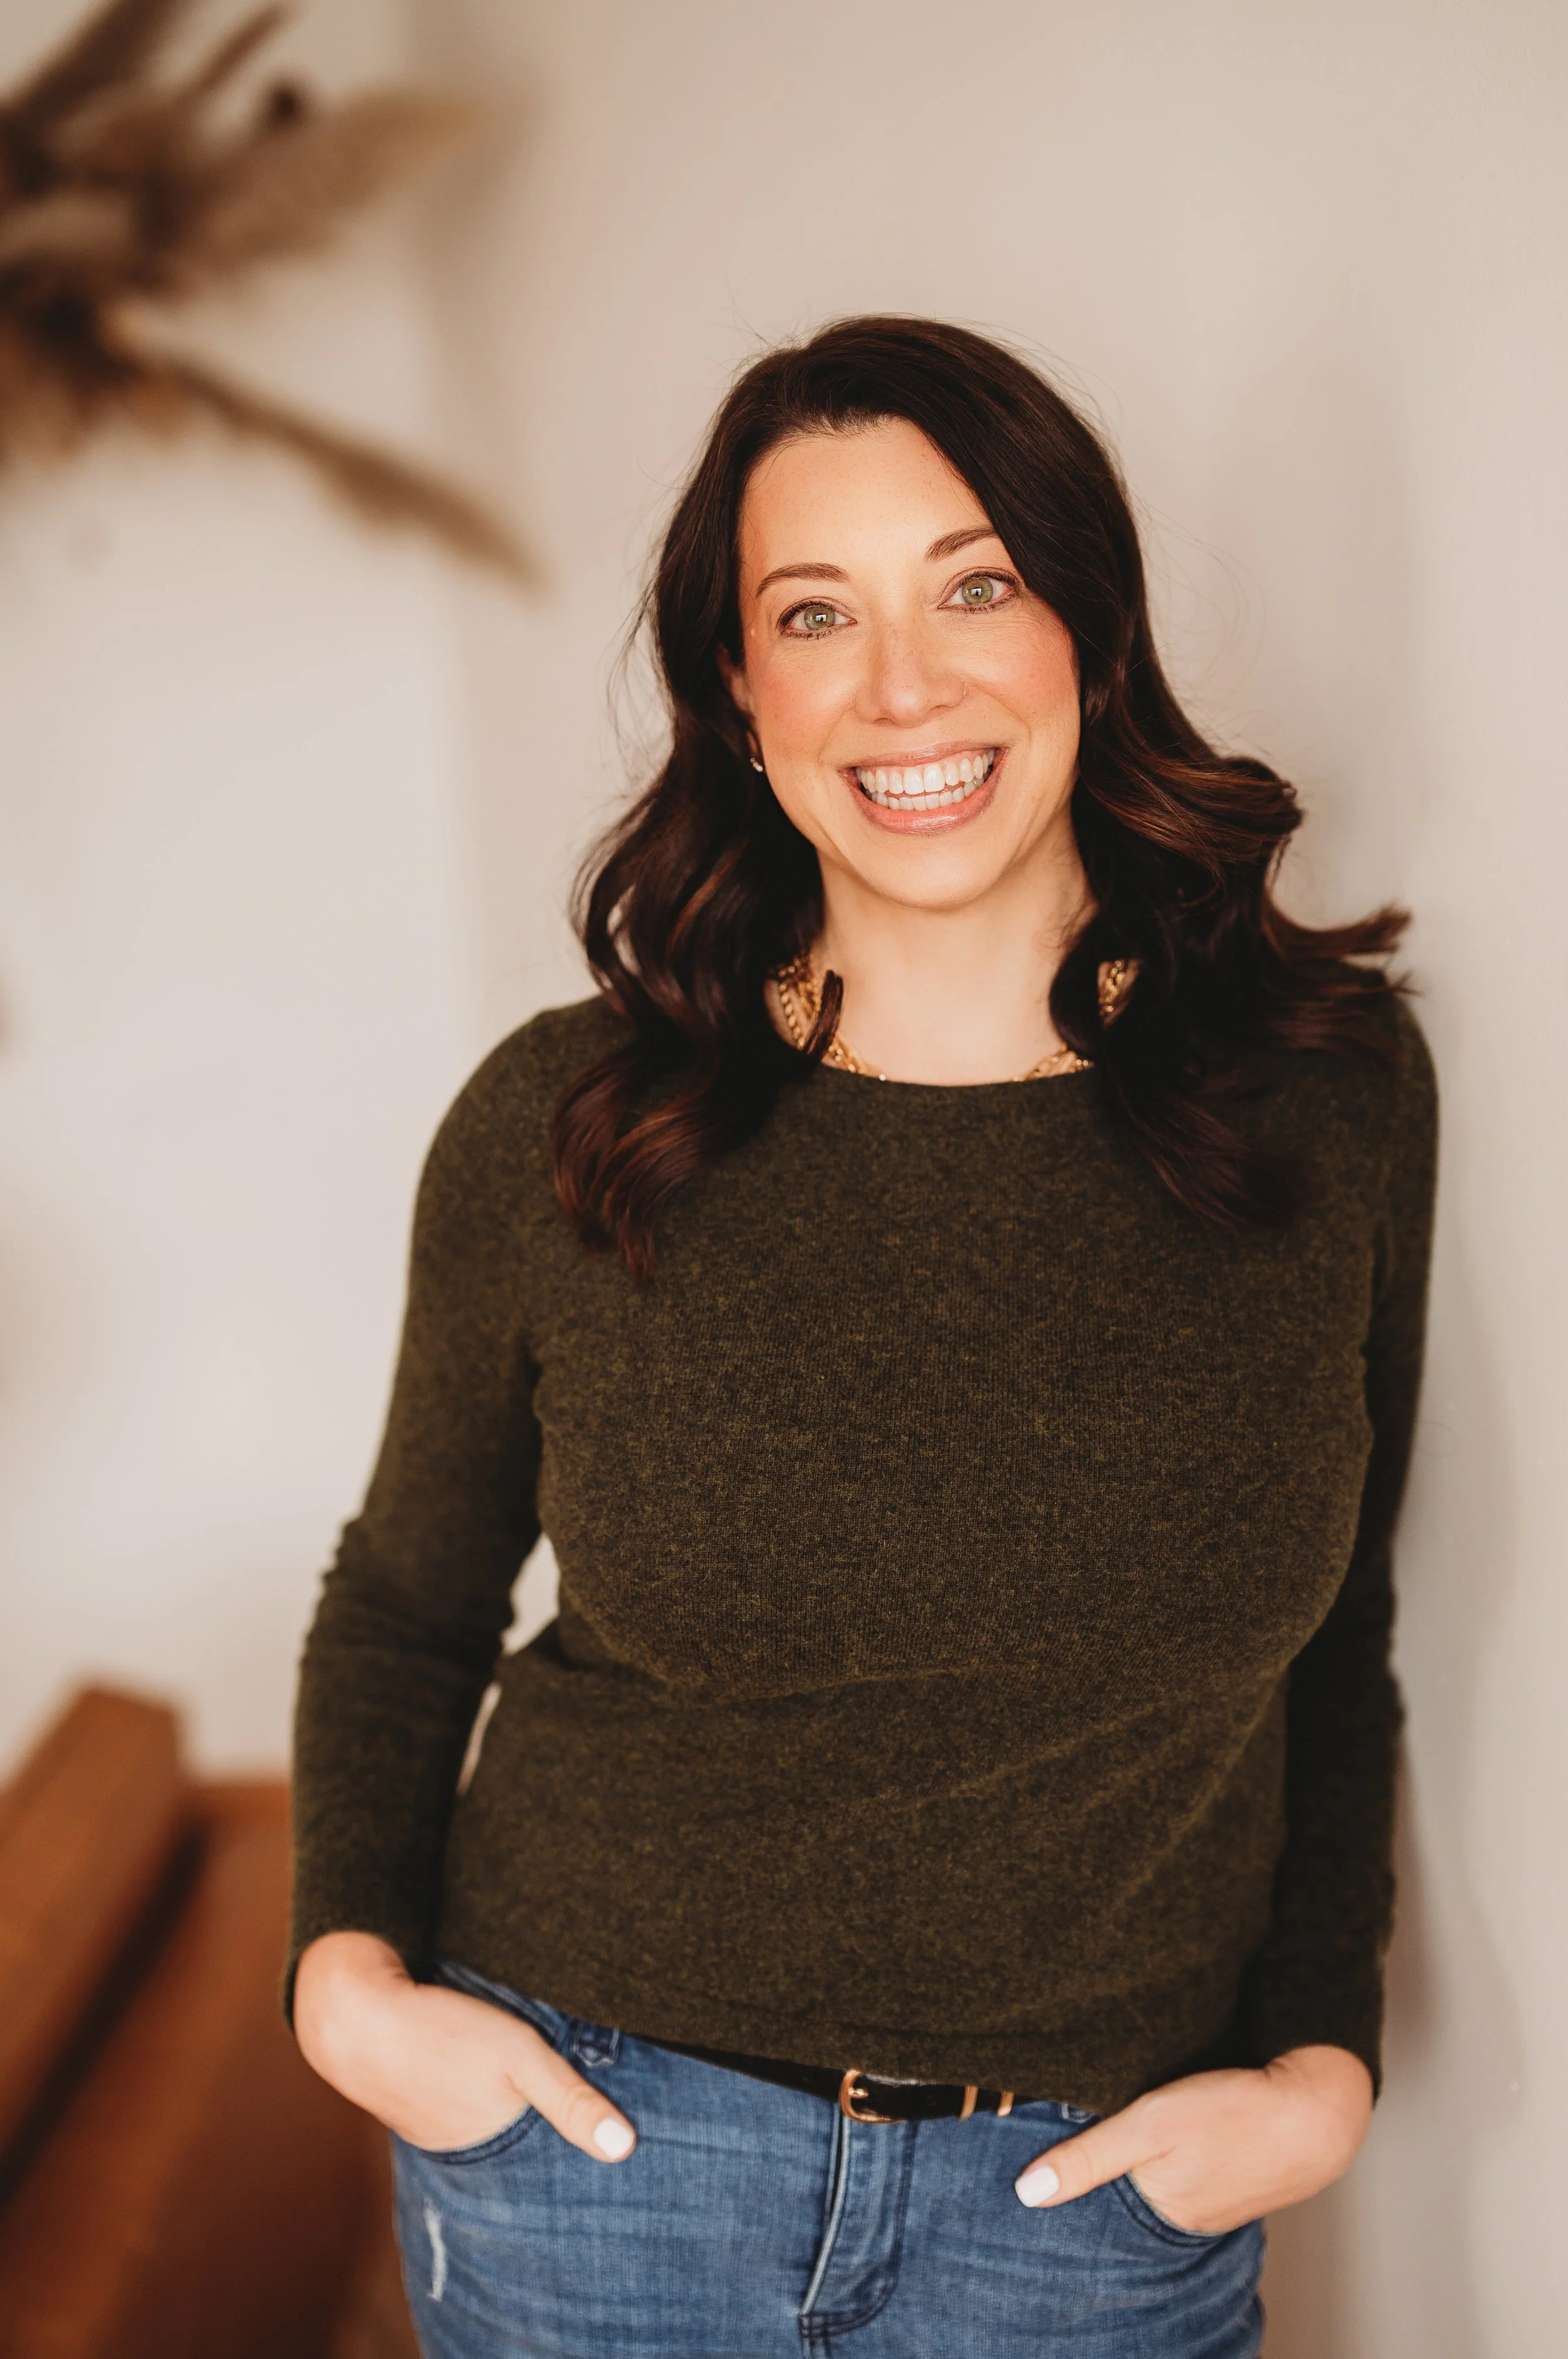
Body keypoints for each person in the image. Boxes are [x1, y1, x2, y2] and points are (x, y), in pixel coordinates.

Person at [288, 317, 1436, 2359]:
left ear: (1087, 618)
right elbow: (402, 1600)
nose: (906, 686)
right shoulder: (566, 1123)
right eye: (816, 614)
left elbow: (1335, 1632)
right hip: (593, 2162)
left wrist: (1317, 2064)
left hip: (1089, 2207)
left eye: (974, 583)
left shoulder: (1324, 1109)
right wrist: (349, 1989)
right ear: (743, 694)